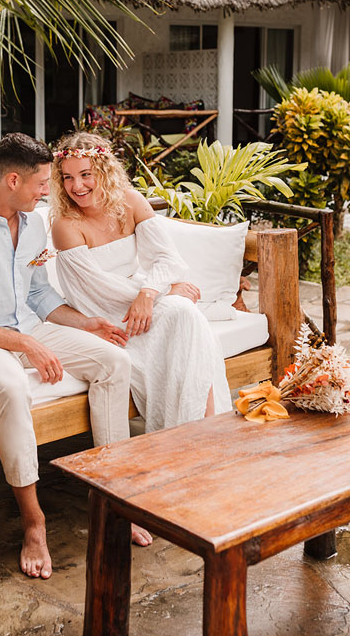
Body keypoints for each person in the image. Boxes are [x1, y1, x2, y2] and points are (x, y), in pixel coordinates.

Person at [0, 132, 134, 580]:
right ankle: (34, 522)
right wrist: (27, 344)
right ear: (13, 179)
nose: (49, 192)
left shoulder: (36, 224)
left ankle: (113, 494)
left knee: (114, 362)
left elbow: (39, 294)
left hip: (28, 327)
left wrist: (85, 323)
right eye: (42, 183)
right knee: (12, 386)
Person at [49, 132, 232, 438]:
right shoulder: (66, 225)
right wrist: (166, 292)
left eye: (85, 175)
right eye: (67, 178)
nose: (76, 186)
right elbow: (95, 294)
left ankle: (198, 431)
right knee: (182, 311)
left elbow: (167, 259)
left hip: (143, 306)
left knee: (185, 315)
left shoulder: (131, 202)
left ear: (104, 171)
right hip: (112, 320)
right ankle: (202, 434)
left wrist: (150, 293)